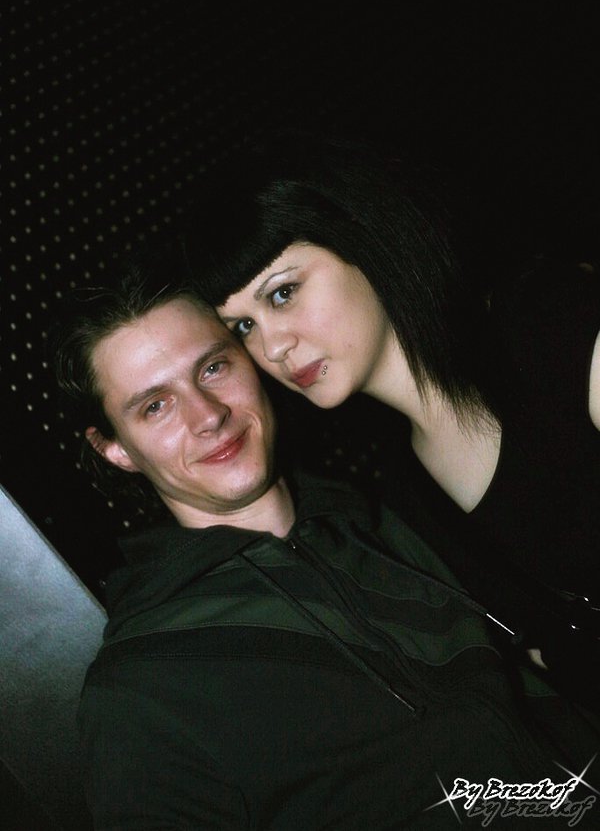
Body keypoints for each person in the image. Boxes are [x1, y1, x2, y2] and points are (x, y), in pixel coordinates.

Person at [52, 262, 600, 830]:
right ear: (114, 448)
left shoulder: (400, 522)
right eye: (155, 406)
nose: (208, 416)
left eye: (213, 368)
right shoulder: (140, 688)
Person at [181, 132, 600, 707]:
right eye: (243, 327)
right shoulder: (402, 497)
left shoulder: (546, 326)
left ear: (363, 242)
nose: (272, 347)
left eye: (281, 294)